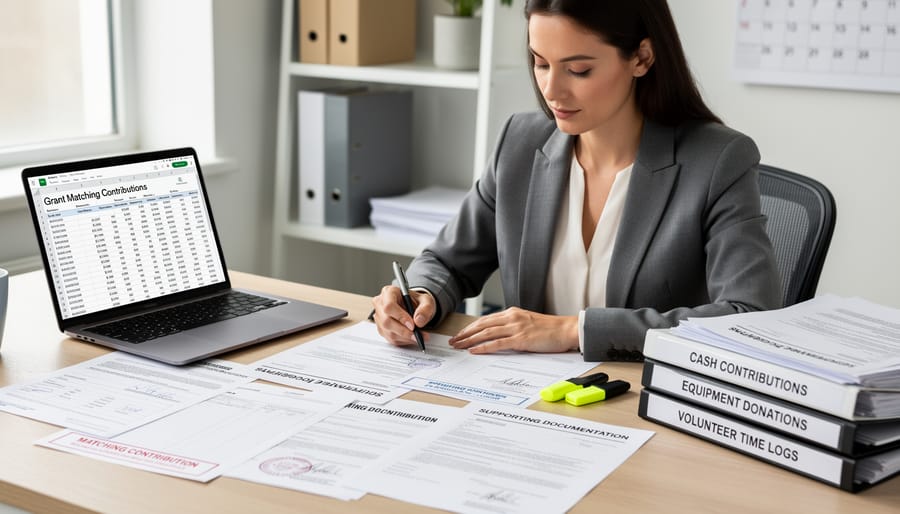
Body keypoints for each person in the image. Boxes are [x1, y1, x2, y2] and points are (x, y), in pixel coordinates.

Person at [371, 0, 781, 361]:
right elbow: (447, 261)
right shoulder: (519, 142)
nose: (551, 90)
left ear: (641, 57)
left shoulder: (718, 161)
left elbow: (747, 316)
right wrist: (419, 296)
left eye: (578, 69)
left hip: (639, 405)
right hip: (526, 399)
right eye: (540, 62)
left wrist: (573, 330)